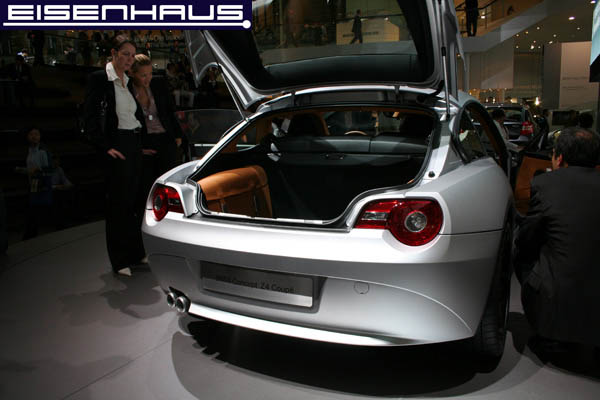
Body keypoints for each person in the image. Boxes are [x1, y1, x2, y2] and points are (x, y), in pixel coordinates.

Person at [514, 127, 600, 355]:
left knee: (522, 255)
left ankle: (549, 330)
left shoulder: (546, 184)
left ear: (559, 158)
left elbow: (527, 239)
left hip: (559, 301)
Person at [83, 34, 146, 274]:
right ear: (113, 54)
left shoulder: (128, 81)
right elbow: (89, 118)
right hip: (117, 144)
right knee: (118, 204)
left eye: (132, 55)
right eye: (125, 54)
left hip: (133, 143)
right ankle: (120, 260)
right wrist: (105, 146)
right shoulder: (100, 79)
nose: (129, 59)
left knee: (133, 201)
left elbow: (132, 116)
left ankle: (135, 254)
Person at [130, 54, 183, 215]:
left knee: (169, 181)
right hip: (145, 141)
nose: (148, 78)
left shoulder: (158, 83)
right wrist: (137, 146)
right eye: (143, 75)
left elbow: (170, 110)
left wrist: (178, 135)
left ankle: (170, 215)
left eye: (150, 74)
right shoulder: (127, 89)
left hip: (165, 137)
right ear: (132, 74)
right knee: (147, 184)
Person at [18, 127, 54, 239]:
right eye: (31, 134)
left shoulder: (43, 151)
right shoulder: (28, 151)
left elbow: (49, 169)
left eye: (36, 134)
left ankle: (30, 234)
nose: (34, 136)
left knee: (34, 210)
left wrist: (37, 171)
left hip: (41, 183)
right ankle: (31, 233)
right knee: (32, 210)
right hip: (32, 183)